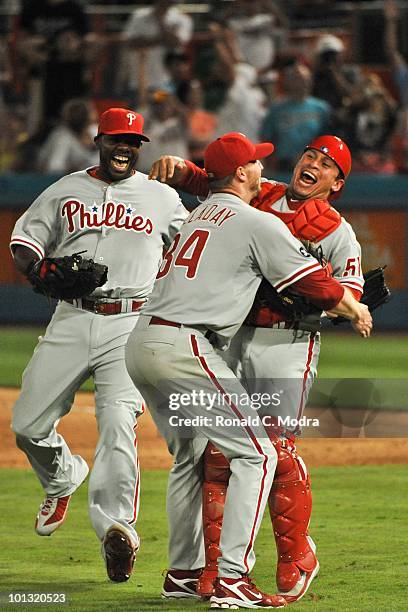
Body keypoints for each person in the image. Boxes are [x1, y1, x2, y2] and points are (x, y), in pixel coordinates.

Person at [126, 132, 372, 607]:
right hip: (216, 341)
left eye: (325, 163)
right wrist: (186, 170)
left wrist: (343, 303)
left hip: (277, 342)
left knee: (252, 451)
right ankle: (223, 573)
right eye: (310, 154)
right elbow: (218, 179)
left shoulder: (335, 230)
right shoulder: (261, 203)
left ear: (337, 182)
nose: (312, 164)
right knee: (232, 454)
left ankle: (285, 555)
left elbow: (346, 288)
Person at [9, 107, 188, 583]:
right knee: (27, 425)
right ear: (99, 141)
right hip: (73, 317)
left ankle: (117, 529)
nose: (124, 148)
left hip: (131, 322)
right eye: (116, 139)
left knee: (116, 423)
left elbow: (196, 247)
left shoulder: (162, 198)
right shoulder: (65, 188)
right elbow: (24, 239)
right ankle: (62, 475)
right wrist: (37, 269)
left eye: (133, 141)